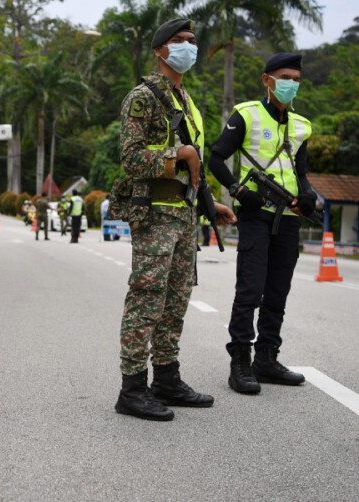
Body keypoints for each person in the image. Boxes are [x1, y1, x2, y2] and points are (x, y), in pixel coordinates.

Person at [114, 19, 237, 421]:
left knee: (176, 299)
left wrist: (210, 203)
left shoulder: (188, 102)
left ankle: (166, 378)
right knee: (147, 296)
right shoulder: (143, 97)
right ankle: (132, 388)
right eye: (179, 41)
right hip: (153, 213)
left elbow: (195, 166)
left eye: (192, 41)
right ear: (160, 50)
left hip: (184, 216)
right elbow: (131, 158)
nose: (189, 47)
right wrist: (176, 155)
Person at [208, 53, 316, 394]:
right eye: (285, 77)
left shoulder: (302, 125)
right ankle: (240, 362)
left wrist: (309, 194)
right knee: (250, 290)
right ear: (266, 79)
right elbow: (216, 157)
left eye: (297, 79)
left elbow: (300, 172)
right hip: (257, 214)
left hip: (288, 219)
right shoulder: (246, 114)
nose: (291, 84)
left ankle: (267, 359)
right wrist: (239, 191)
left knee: (278, 292)